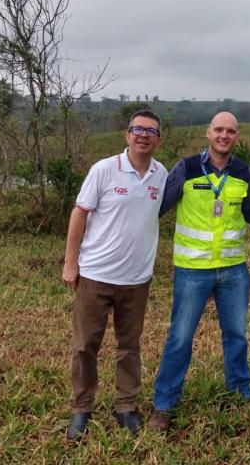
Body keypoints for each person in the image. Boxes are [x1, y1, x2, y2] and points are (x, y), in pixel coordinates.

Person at [62, 109, 168, 440]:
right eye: (138, 129)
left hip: (136, 280)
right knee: (85, 345)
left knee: (129, 345)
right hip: (96, 274)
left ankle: (126, 406)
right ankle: (81, 408)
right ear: (127, 135)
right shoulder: (105, 169)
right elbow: (79, 214)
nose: (143, 135)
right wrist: (70, 262)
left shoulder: (161, 174)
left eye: (150, 131)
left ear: (158, 139)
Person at [148, 111, 250, 432]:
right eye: (219, 129)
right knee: (180, 338)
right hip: (192, 270)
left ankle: (240, 392)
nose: (224, 135)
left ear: (236, 137)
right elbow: (156, 208)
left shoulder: (243, 172)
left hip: (233, 270)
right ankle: (164, 404)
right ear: (208, 133)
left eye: (231, 131)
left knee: (236, 336)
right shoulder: (187, 168)